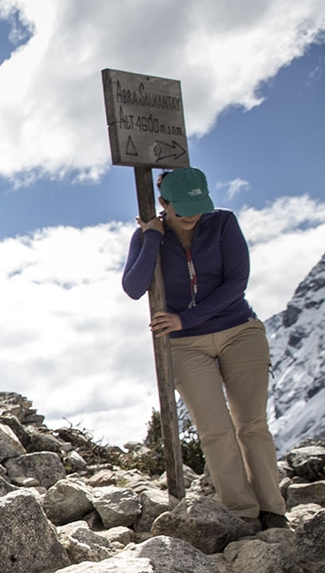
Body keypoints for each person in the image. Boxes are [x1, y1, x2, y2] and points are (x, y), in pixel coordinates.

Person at [121, 167, 288, 530]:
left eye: (198, 206)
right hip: (185, 346)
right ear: (164, 203)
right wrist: (152, 238)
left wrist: (185, 318)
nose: (193, 215)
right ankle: (242, 514)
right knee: (215, 430)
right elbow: (134, 288)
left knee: (252, 425)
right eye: (183, 208)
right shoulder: (149, 235)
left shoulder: (223, 223)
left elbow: (236, 282)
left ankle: (274, 511)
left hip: (239, 331)